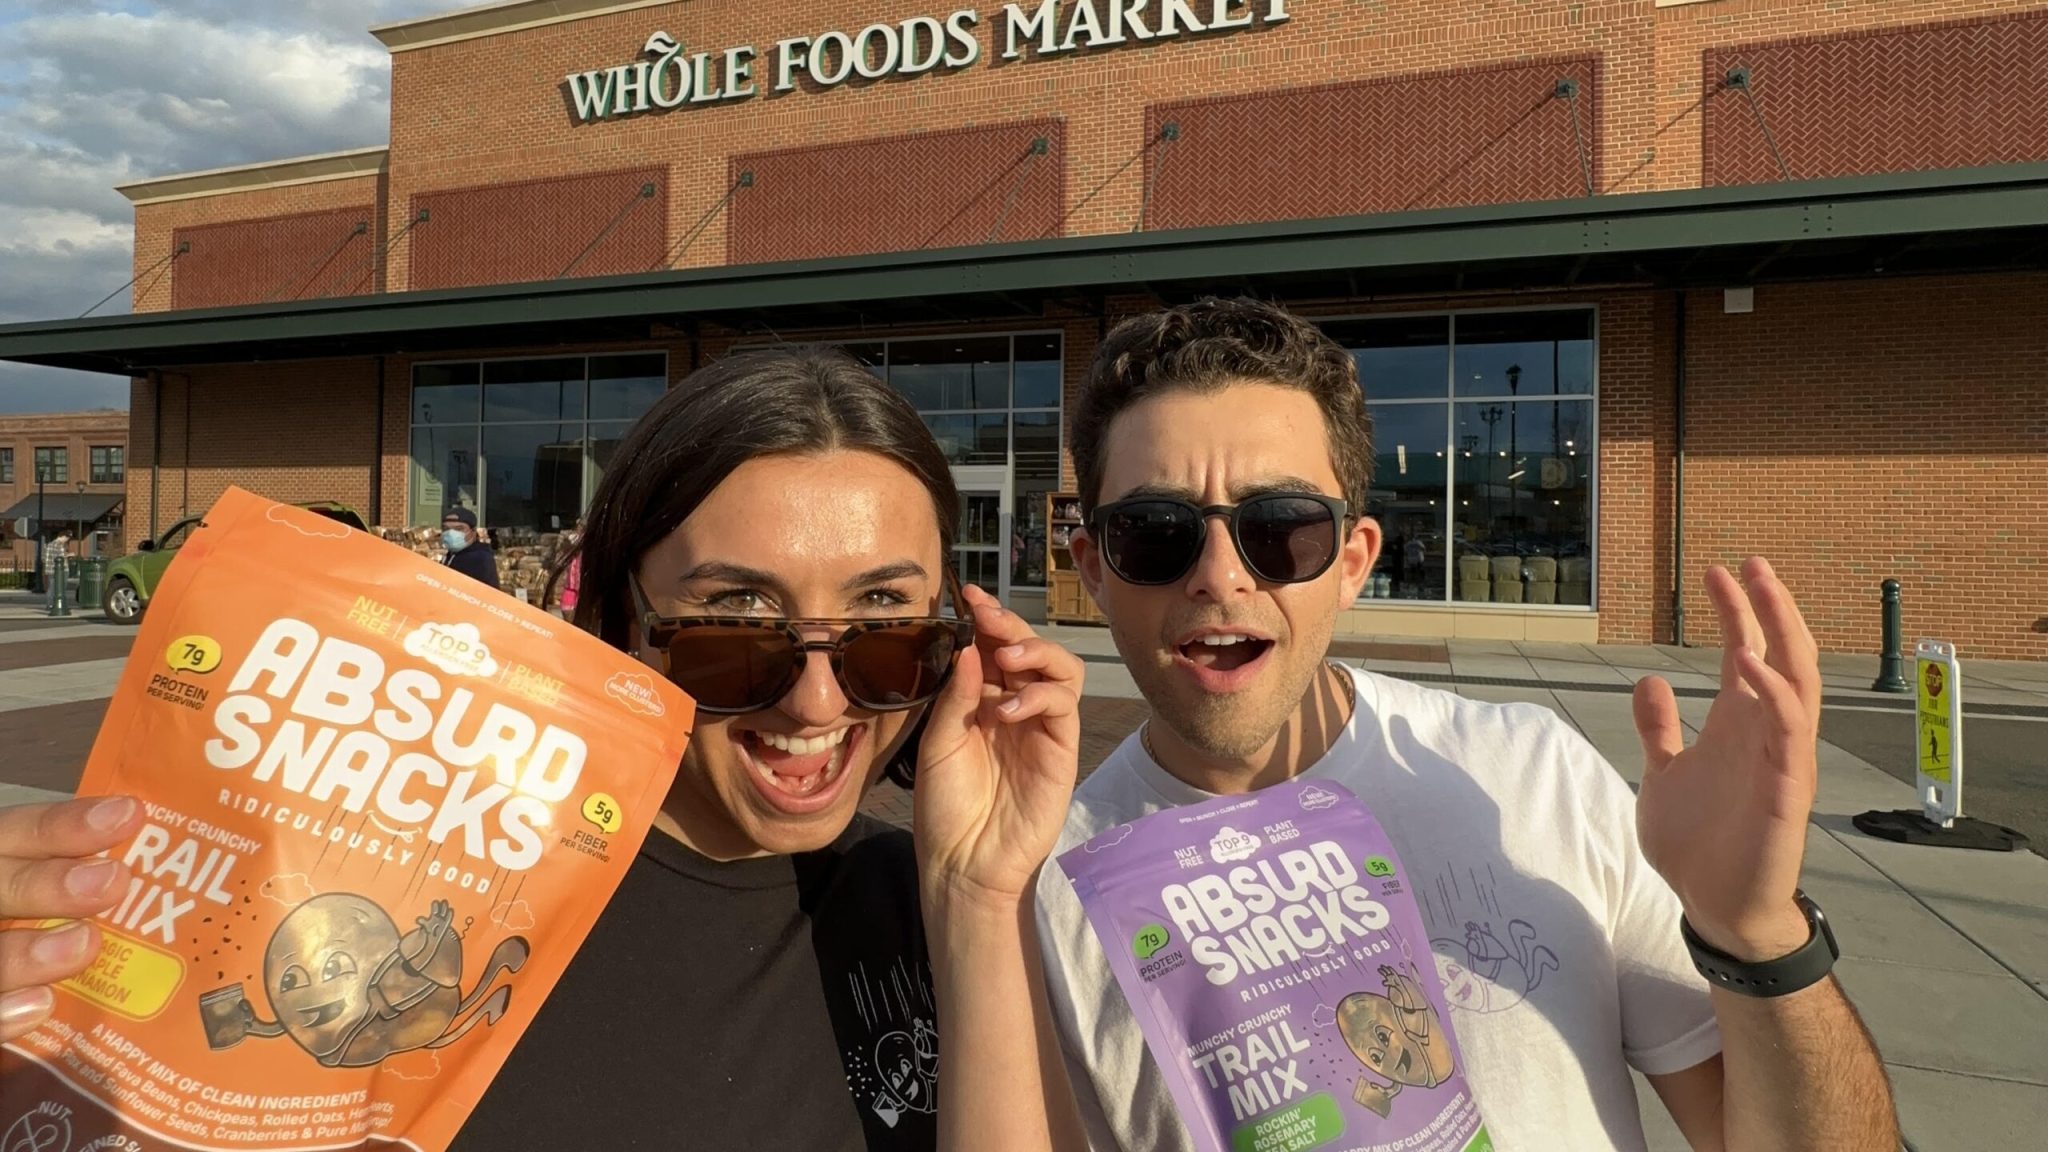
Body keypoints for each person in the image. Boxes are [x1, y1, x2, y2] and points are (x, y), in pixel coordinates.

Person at [3, 347, 1087, 1151]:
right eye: (734, 621)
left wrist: (976, 898)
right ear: (616, 625)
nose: (817, 696)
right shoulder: (439, 897)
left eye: (884, 620)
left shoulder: (936, 902)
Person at [1034, 298, 1900, 1151]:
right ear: (1094, 571)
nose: (1221, 575)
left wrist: (1756, 932)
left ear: (1352, 563)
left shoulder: (1531, 776)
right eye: (1154, 532)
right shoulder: (1046, 892)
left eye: (1282, 527)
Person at [440, 506, 500, 590]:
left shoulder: (478, 558)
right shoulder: (452, 554)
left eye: (459, 529)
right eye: (446, 529)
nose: (450, 533)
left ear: (473, 531)